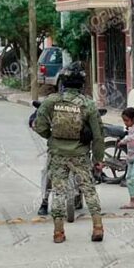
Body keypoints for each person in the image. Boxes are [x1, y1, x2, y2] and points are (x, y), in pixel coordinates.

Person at [33, 62, 105, 243]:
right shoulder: (88, 104)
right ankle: (97, 227)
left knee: (58, 191)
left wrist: (50, 136)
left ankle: (58, 232)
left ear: (63, 82)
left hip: (58, 154)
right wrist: (98, 159)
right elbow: (98, 136)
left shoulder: (52, 101)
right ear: (82, 84)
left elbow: (38, 125)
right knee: (89, 190)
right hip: (80, 155)